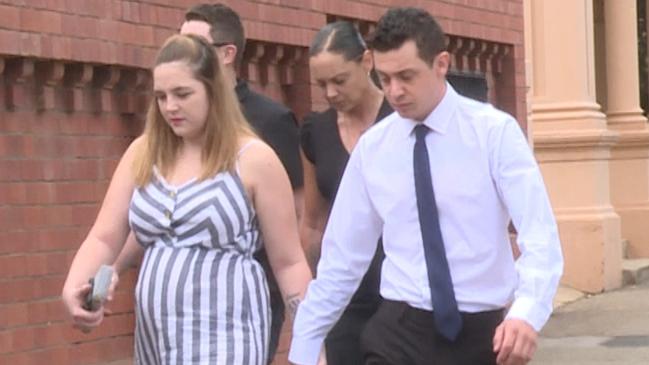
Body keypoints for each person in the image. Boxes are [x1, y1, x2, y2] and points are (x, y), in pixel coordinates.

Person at [289, 7, 563, 365]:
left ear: (441, 63)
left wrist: (526, 312)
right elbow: (342, 257)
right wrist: (305, 345)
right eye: (385, 79)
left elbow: (539, 234)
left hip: (480, 334)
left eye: (406, 76)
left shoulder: (493, 134)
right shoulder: (374, 149)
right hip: (398, 330)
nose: (395, 91)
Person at [61, 34, 311, 365]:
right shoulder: (144, 152)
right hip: (156, 340)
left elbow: (289, 262)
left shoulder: (254, 159)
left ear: (213, 91)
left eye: (182, 94)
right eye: (161, 97)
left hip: (227, 335)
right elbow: (104, 235)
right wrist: (74, 286)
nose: (171, 107)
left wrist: (312, 345)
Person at [299, 21, 392, 365]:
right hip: (345, 298)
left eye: (339, 80)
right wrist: (313, 301)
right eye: (321, 84)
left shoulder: (400, 120)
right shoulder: (316, 132)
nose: (330, 93)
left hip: (403, 295)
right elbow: (312, 223)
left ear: (366, 62)